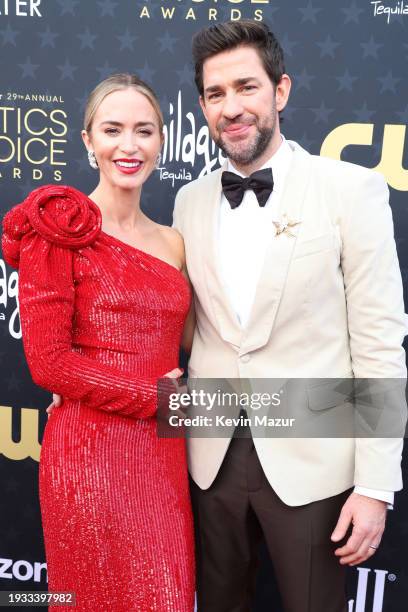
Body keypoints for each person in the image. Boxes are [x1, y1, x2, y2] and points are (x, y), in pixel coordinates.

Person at [172, 21, 407, 612]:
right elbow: (183, 327)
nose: (232, 108)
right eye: (216, 94)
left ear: (281, 91)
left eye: (247, 87)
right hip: (207, 456)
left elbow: (379, 343)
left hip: (314, 463)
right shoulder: (188, 201)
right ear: (202, 106)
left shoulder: (352, 190)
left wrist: (376, 487)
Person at [1, 74, 195, 611]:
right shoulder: (59, 229)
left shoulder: (174, 241)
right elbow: (48, 364)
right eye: (112, 130)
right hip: (89, 455)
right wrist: (156, 398)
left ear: (162, 140)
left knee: (168, 596)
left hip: (163, 454)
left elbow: (194, 342)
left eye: (144, 131)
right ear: (88, 140)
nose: (128, 146)